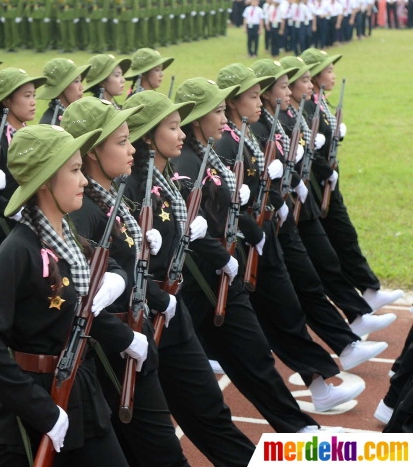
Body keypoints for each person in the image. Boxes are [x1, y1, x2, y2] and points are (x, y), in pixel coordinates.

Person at [171, 76, 340, 433]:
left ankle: (298, 427)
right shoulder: (185, 162)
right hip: (198, 282)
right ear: (196, 118)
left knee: (254, 354)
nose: (222, 118)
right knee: (190, 388)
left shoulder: (210, 150)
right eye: (216, 111)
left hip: (223, 274)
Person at [0, 124, 136, 467]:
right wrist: (41, 410)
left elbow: (102, 276)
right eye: (74, 171)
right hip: (35, 405)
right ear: (43, 180)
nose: (85, 180)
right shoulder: (20, 249)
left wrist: (117, 280)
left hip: (80, 389)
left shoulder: (68, 235)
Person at [214, 63, 364, 412]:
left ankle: (320, 380)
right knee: (271, 317)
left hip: (267, 232)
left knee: (284, 306)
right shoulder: (225, 142)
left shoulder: (246, 132)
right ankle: (317, 382)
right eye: (252, 96)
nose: (259, 102)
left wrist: (277, 198)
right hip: (245, 242)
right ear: (235, 102)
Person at [120, 90, 257, 465]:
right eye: (172, 127)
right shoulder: (130, 186)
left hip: (172, 311)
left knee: (209, 407)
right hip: (140, 318)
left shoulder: (166, 175)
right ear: (148, 136)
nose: (181, 134)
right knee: (146, 440)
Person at [62, 97, 195, 466]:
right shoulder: (84, 210)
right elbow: (83, 297)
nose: (132, 148)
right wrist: (125, 336)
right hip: (115, 345)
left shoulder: (109, 197)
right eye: (121, 142)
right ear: (91, 152)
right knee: (160, 451)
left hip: (133, 331)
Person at [250, 58, 391, 370]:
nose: (291, 90)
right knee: (287, 300)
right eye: (284, 85)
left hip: (289, 215)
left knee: (312, 278)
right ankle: (340, 345)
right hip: (267, 225)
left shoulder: (276, 119)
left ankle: (346, 339)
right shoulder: (258, 127)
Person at [300, 48, 404, 311]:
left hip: (328, 181)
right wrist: (325, 167)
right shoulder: (308, 105)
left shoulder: (320, 101)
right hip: (314, 185)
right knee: (333, 245)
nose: (333, 76)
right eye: (329, 70)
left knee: (344, 237)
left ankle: (367, 289)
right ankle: (361, 295)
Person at [0, 67, 47, 248]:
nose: (33, 102)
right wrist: (15, 211)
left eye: (34, 95)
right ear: (8, 101)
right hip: (10, 233)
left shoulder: (31, 135)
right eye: (27, 96)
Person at [37, 58, 91, 125]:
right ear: (61, 88)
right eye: (76, 81)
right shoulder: (51, 124)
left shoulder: (79, 114)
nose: (81, 87)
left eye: (80, 80)